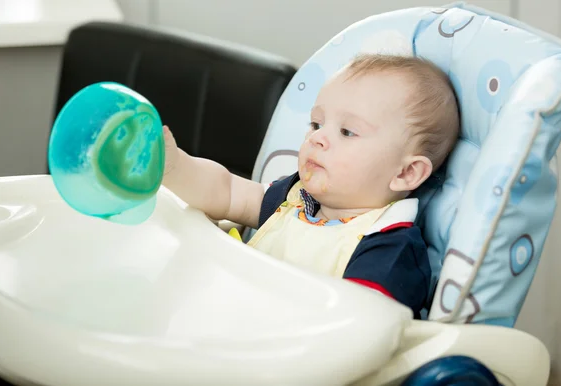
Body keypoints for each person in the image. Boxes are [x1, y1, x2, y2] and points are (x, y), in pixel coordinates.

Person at [161, 53, 460, 318]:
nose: (316, 138)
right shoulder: (293, 200)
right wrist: (175, 168)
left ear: (406, 173)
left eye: (347, 131)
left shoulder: (387, 249)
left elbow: (359, 330)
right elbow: (225, 192)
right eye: (316, 124)